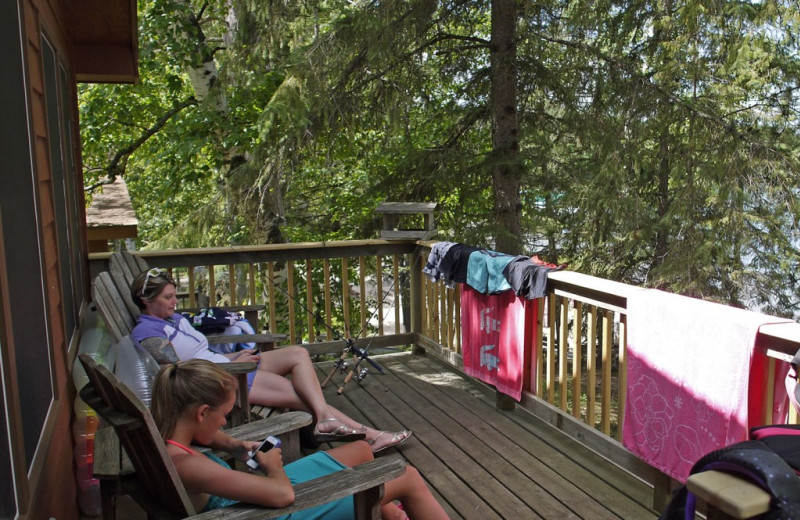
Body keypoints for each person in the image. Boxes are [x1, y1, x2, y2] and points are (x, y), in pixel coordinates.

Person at [130, 268, 412, 452]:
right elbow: (182, 372)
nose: (175, 301)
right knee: (299, 395)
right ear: (146, 300)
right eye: (168, 297)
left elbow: (200, 353)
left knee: (298, 353)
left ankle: (326, 420)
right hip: (223, 380)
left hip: (228, 364)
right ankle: (368, 437)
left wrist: (234, 355)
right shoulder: (148, 333)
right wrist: (229, 365)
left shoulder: (173, 318)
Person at [151, 359, 450, 519]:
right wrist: (272, 467)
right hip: (275, 510)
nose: (225, 423)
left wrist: (234, 444)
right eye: (225, 415)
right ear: (202, 413)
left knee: (361, 449)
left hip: (256, 499)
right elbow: (283, 496)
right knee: (407, 476)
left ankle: (392, 518)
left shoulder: (174, 441)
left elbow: (210, 436)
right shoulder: (189, 466)